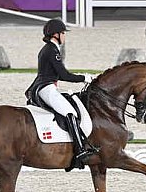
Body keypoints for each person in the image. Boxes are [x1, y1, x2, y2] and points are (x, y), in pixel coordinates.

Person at [25, 18, 98, 171]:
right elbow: (64, 75)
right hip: (46, 88)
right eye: (63, 33)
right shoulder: (52, 50)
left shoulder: (49, 49)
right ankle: (80, 151)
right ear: (56, 35)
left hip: (45, 87)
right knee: (70, 112)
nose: (65, 36)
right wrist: (85, 77)